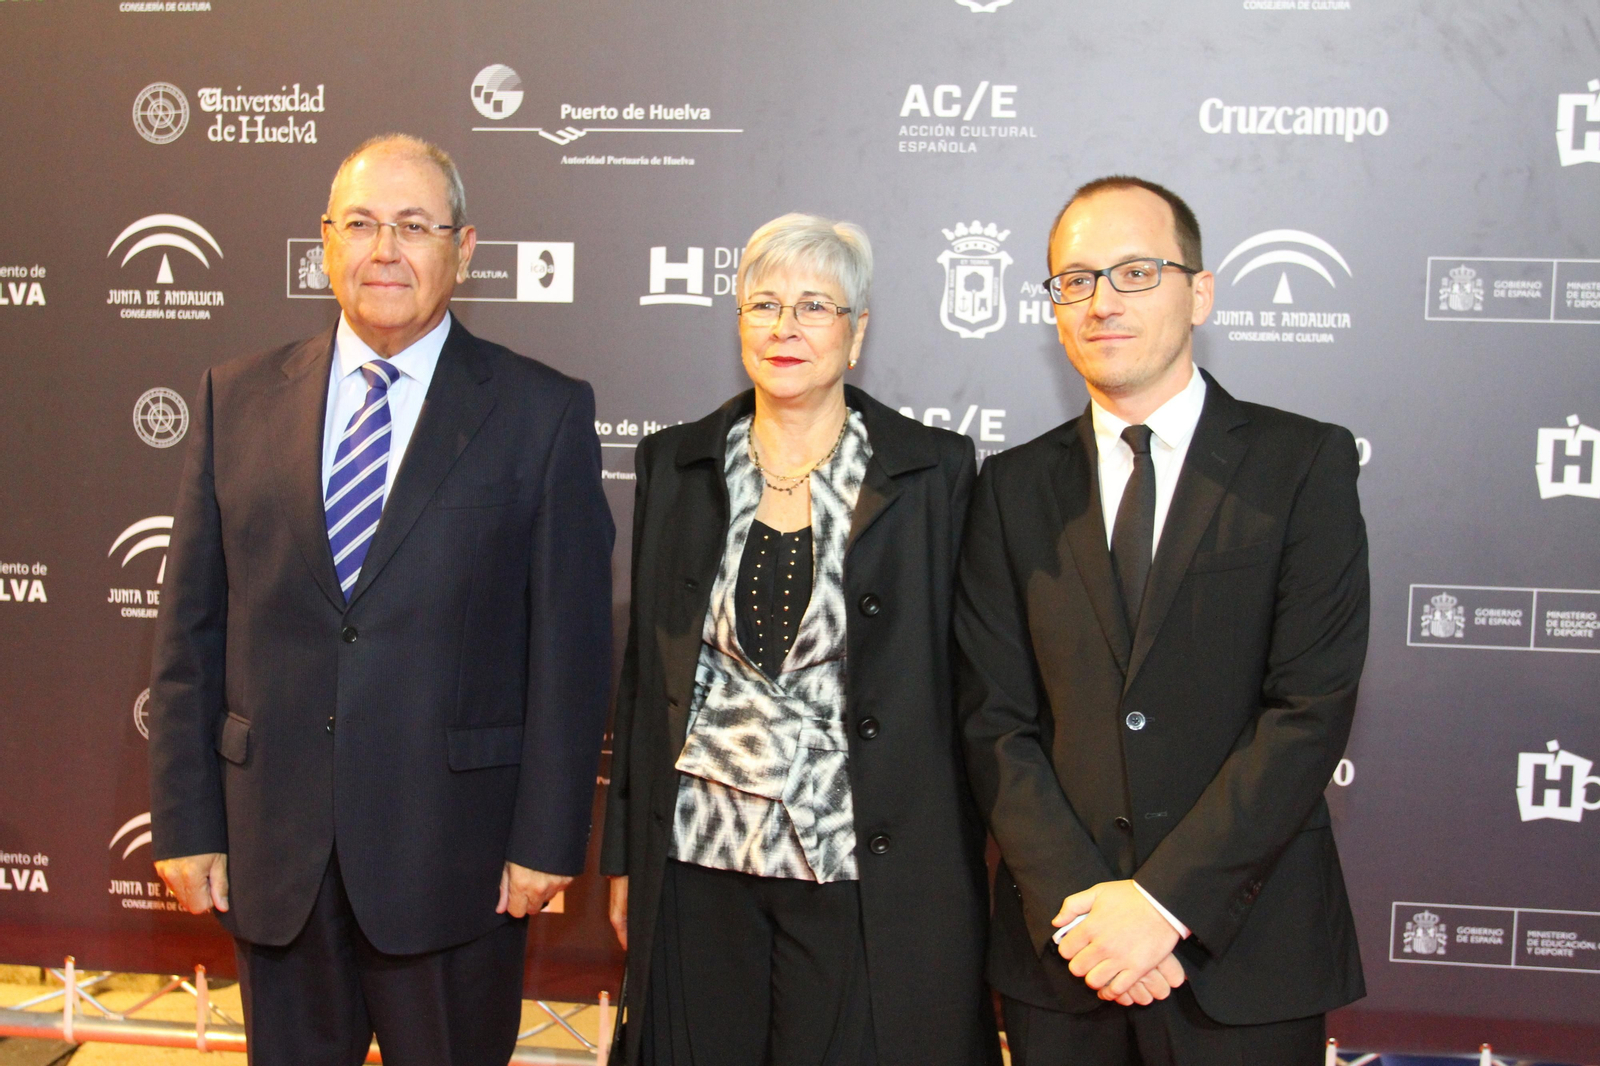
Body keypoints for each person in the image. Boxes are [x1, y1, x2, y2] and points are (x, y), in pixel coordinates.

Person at [147, 133, 614, 1066]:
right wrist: (189, 821)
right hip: (277, 856)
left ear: (465, 247)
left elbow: (571, 652)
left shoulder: (540, 413)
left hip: (458, 862)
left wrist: (548, 839)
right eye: (361, 224)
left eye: (413, 225)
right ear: (325, 241)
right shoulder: (233, 398)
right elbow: (189, 635)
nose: (385, 249)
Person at [956, 176, 1368, 1066]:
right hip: (1064, 960)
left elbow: (1308, 709)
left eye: (1135, 273)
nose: (1102, 302)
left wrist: (1162, 905)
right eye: (1076, 280)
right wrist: (1087, 909)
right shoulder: (1010, 490)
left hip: (1248, 956)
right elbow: (995, 721)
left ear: (1201, 292)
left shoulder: (1303, 465)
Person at [600, 213, 1001, 1066]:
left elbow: (964, 683)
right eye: (764, 304)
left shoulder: (932, 471)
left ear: (856, 336)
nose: (785, 327)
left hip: (856, 865)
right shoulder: (677, 463)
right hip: (697, 858)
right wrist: (625, 854)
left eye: (815, 306)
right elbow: (647, 677)